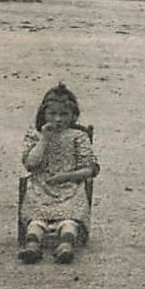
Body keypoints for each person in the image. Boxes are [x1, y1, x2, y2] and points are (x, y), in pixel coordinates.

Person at [18, 83, 98, 264]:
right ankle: (32, 245)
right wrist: (44, 139)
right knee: (36, 220)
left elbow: (90, 169)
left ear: (73, 115)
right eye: (52, 114)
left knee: (69, 220)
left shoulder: (78, 136)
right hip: (41, 187)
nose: (58, 119)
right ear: (43, 114)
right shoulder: (36, 135)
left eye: (64, 114)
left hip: (69, 187)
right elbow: (30, 164)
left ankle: (65, 245)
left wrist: (67, 177)